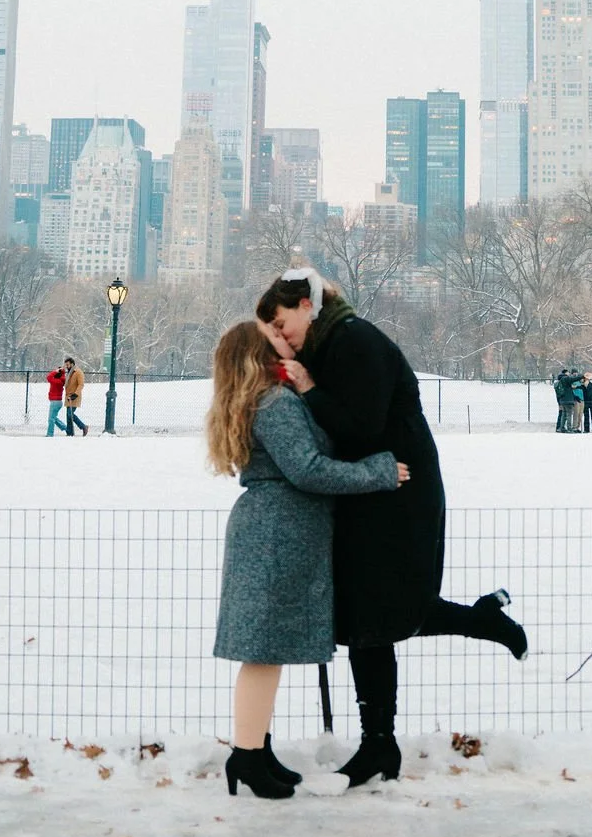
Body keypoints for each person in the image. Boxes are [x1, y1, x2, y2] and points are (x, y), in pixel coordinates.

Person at [256, 268, 527, 789]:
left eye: (282, 321)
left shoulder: (355, 340)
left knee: (389, 608)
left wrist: (306, 383)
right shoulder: (328, 345)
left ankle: (483, 625)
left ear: (307, 304)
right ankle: (379, 743)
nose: (281, 334)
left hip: (401, 494)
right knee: (366, 615)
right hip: (367, 491)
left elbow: (360, 424)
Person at [206, 320, 406, 800]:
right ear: (259, 353)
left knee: (265, 651)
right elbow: (307, 469)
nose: (286, 341)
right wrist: (376, 471)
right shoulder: (273, 406)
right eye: (274, 339)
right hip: (277, 533)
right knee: (262, 651)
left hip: (276, 530)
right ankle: (248, 758)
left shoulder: (263, 400)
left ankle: (253, 751)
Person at [64, 356, 89, 437]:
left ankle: (83, 426)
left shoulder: (78, 372)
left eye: (68, 365)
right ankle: (69, 432)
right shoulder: (69, 373)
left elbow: (81, 384)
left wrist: (76, 394)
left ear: (72, 364)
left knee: (70, 414)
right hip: (68, 397)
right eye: (66, 365)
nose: (66, 366)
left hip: (74, 396)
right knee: (68, 415)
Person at [46, 364, 67, 436]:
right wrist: (62, 372)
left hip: (55, 402)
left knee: (51, 419)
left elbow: (48, 377)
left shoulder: (56, 381)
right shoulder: (61, 380)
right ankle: (65, 428)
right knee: (53, 418)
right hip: (58, 402)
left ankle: (50, 434)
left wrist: (55, 371)